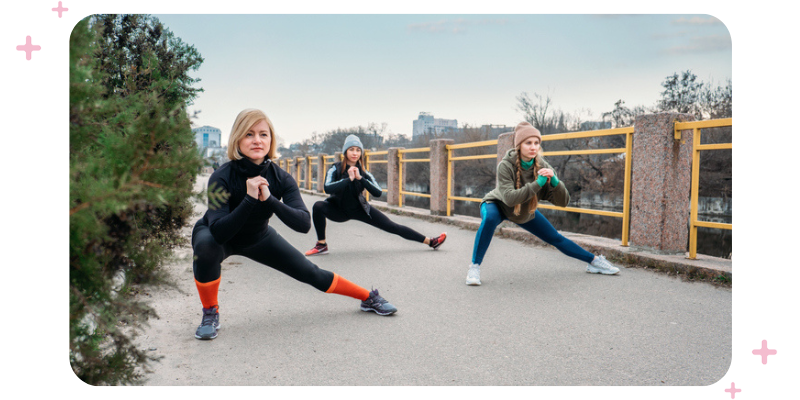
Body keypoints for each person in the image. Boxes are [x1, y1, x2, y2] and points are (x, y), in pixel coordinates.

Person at [191, 109, 397, 340]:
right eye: (249, 134)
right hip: (218, 235)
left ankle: (368, 297)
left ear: (271, 140)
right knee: (206, 247)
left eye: (263, 134)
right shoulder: (221, 176)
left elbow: (303, 224)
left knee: (311, 273)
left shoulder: (281, 178)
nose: (257, 140)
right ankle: (210, 312)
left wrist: (270, 200)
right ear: (237, 139)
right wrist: (249, 199)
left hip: (258, 237)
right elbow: (220, 232)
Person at [465, 121, 620, 286]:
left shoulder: (543, 166)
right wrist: (538, 183)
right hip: (497, 204)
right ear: (519, 145)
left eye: (536, 143)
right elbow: (509, 199)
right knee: (489, 220)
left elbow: (563, 202)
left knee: (555, 238)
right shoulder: (506, 165)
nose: (533, 147)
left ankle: (594, 262)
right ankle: (474, 267)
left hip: (524, 209)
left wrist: (555, 182)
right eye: (528, 143)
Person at [305, 134, 447, 256]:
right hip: (337, 209)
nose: (355, 153)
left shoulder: (364, 172)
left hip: (360, 209)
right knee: (318, 206)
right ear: (345, 152)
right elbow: (327, 188)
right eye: (351, 149)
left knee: (392, 226)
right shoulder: (335, 168)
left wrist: (360, 178)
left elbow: (378, 192)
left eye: (358, 150)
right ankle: (321, 245)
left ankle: (431, 242)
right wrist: (348, 179)